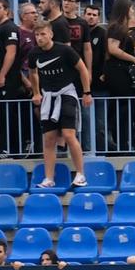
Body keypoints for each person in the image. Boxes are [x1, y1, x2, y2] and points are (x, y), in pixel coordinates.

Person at [26, 19, 89, 187]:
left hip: (67, 93)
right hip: (48, 97)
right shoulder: (34, 54)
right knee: (49, 139)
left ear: (51, 34)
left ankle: (81, 174)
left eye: (43, 34)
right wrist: (37, 92)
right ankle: (49, 178)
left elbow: (82, 69)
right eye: (37, 35)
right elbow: (33, 73)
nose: (39, 38)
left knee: (69, 135)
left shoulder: (64, 50)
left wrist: (87, 92)